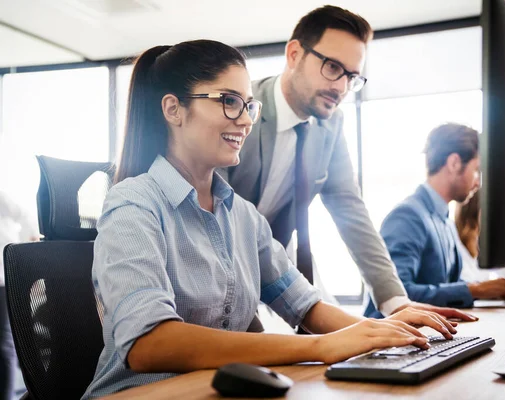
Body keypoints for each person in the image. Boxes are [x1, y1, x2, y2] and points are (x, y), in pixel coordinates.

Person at [82, 39, 461, 398]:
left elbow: (306, 306)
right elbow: (149, 345)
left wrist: (386, 331)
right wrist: (320, 346)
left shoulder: (243, 216)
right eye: (229, 101)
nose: (245, 120)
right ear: (173, 109)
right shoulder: (133, 206)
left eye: (249, 105)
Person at [217, 5, 476, 322]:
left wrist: (395, 301)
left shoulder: (330, 125)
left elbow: (350, 209)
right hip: (218, 271)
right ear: (294, 54)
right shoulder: (240, 110)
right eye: (332, 67)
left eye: (351, 76)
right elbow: (212, 215)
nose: (340, 87)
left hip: (270, 268)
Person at [364, 123, 505, 316]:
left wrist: (495, 288)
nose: (478, 182)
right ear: (454, 163)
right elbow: (399, 295)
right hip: (392, 339)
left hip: (426, 332)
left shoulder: (444, 218)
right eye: (476, 170)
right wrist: (476, 290)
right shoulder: (408, 216)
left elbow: (446, 286)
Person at [0, 191, 36, 400]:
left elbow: (26, 216)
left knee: (3, 344)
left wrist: (25, 253)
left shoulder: (3, 198)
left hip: (2, 279)